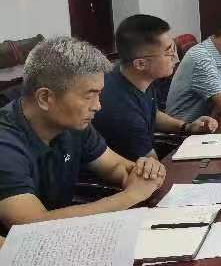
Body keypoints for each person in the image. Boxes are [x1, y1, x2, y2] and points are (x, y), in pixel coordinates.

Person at [0, 37, 165, 230]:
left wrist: (147, 170)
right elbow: (30, 225)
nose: (97, 106)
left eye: (99, 94)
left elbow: (114, 167)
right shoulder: (5, 144)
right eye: (89, 96)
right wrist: (129, 196)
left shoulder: (74, 124)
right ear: (45, 98)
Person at [92, 15, 219, 161]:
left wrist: (187, 127)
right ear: (140, 64)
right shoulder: (123, 113)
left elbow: (152, 113)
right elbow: (153, 167)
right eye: (168, 52)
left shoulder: (133, 76)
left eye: (173, 47)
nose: (175, 57)